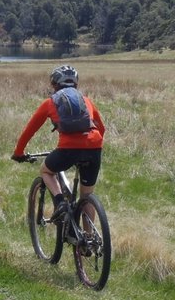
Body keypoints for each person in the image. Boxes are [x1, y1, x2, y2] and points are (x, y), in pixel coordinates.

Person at [11, 65, 105, 222]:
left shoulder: (49, 103)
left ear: (54, 84)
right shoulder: (87, 101)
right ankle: (88, 242)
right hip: (94, 147)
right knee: (86, 196)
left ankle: (60, 202)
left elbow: (29, 131)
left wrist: (19, 152)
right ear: (76, 84)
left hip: (68, 149)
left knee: (46, 171)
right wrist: (91, 145)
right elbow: (101, 128)